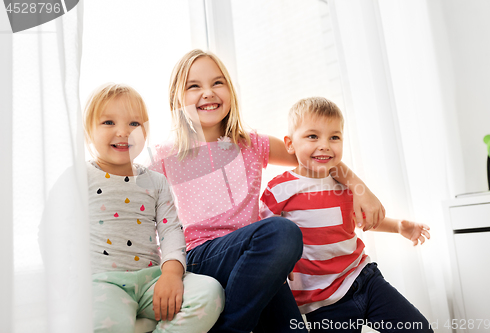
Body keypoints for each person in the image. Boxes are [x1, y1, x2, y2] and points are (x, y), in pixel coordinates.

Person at [147, 49, 386, 333]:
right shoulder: (165, 155)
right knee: (282, 231)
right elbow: (146, 217)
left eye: (217, 83)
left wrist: (361, 190)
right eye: (194, 86)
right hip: (203, 256)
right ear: (177, 98)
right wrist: (168, 271)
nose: (208, 93)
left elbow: (312, 156)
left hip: (254, 260)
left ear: (230, 91)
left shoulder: (251, 144)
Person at [259, 97, 433, 333]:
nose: (325, 145)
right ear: (290, 144)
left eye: (334, 137)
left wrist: (399, 227)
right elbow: (261, 234)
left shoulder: (344, 185)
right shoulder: (280, 189)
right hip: (324, 303)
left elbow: (360, 219)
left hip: (365, 279)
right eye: (313, 136)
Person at [82, 83, 224, 333]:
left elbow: (170, 231)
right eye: (109, 123)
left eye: (134, 124)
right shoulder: (80, 176)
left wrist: (170, 274)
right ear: (87, 132)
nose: (123, 132)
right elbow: (51, 229)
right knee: (104, 323)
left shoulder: (156, 181)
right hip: (102, 282)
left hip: (152, 280)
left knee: (210, 292)